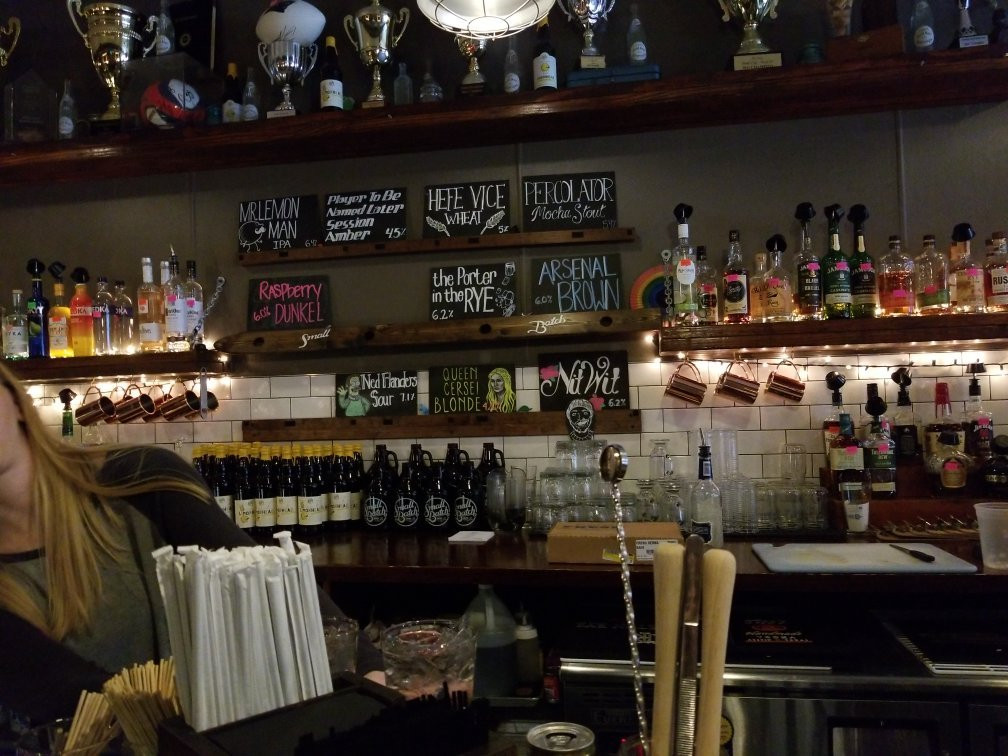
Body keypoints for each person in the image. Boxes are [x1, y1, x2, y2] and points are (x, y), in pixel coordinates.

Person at [0, 362, 383, 731]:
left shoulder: (140, 480)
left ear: (15, 400)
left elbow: (274, 585)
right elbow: (69, 693)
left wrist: (371, 680)